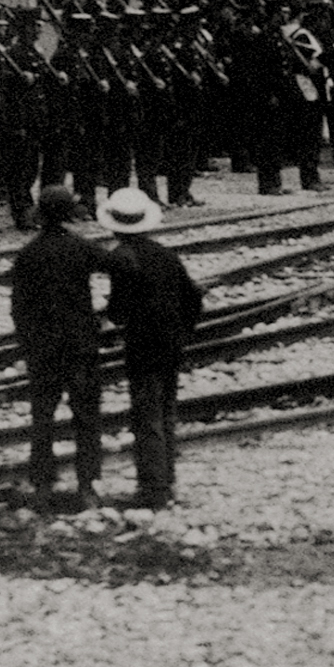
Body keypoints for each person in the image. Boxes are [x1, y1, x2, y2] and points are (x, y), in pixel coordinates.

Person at [99, 185, 204, 506]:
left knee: (147, 414)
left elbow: (118, 310)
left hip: (143, 344)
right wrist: (182, 331)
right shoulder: (165, 253)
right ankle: (167, 478)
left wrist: (111, 318)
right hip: (172, 342)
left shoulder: (121, 258)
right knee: (167, 409)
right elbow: (193, 298)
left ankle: (154, 489)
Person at [10, 185, 107, 509]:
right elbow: (118, 266)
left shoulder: (28, 255)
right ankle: (87, 485)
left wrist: (28, 342)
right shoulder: (82, 248)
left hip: (43, 347)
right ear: (69, 214)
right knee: (87, 417)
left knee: (42, 417)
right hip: (80, 344)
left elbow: (19, 307)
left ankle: (42, 484)